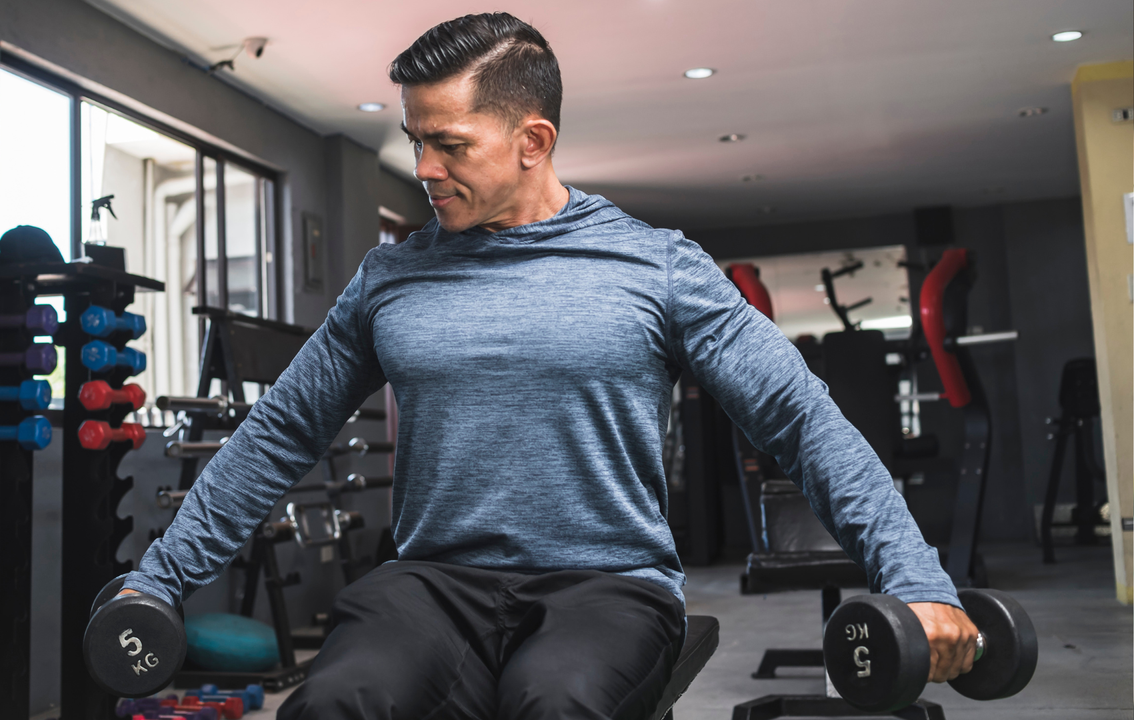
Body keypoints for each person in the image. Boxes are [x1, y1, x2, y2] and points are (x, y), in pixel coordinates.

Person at [120, 12, 978, 720]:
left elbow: (801, 421)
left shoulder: (660, 267)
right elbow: (279, 432)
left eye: (449, 145)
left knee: (557, 701)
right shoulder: (391, 277)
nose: (424, 168)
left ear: (534, 140)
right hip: (431, 583)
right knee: (337, 701)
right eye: (416, 140)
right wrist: (155, 583)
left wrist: (914, 579)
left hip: (606, 584)